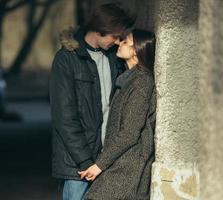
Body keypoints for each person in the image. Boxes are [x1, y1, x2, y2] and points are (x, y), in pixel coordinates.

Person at [49, 3, 133, 200]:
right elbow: (64, 118)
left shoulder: (114, 59)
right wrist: (86, 162)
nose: (118, 41)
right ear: (100, 30)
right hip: (78, 166)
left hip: (106, 160)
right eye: (115, 36)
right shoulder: (66, 60)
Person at [79, 29, 156, 200]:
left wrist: (99, 165)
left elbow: (130, 132)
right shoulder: (128, 79)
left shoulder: (142, 82)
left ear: (136, 49)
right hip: (119, 162)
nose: (119, 43)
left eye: (125, 41)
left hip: (129, 165)